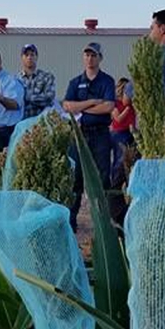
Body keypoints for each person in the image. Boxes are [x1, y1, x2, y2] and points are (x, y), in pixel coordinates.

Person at [62, 41, 116, 230]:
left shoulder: (107, 81)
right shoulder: (75, 82)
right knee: (75, 179)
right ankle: (71, 220)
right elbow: (67, 106)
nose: (90, 58)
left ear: (100, 58)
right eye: (87, 55)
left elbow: (109, 107)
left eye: (93, 55)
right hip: (78, 135)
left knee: (102, 179)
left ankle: (102, 222)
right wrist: (92, 102)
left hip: (100, 135)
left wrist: (81, 107)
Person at [18, 44, 56, 118]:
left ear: (36, 57)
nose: (29, 57)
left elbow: (49, 98)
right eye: (26, 55)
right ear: (22, 58)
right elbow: (15, 102)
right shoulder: (16, 80)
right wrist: (37, 98)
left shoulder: (47, 77)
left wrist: (26, 97)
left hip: (41, 122)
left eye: (32, 55)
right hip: (21, 122)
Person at [110, 77, 135, 182]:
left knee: (129, 159)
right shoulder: (115, 104)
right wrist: (127, 109)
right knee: (119, 159)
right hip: (119, 133)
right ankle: (115, 182)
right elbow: (118, 119)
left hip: (129, 132)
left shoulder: (131, 104)